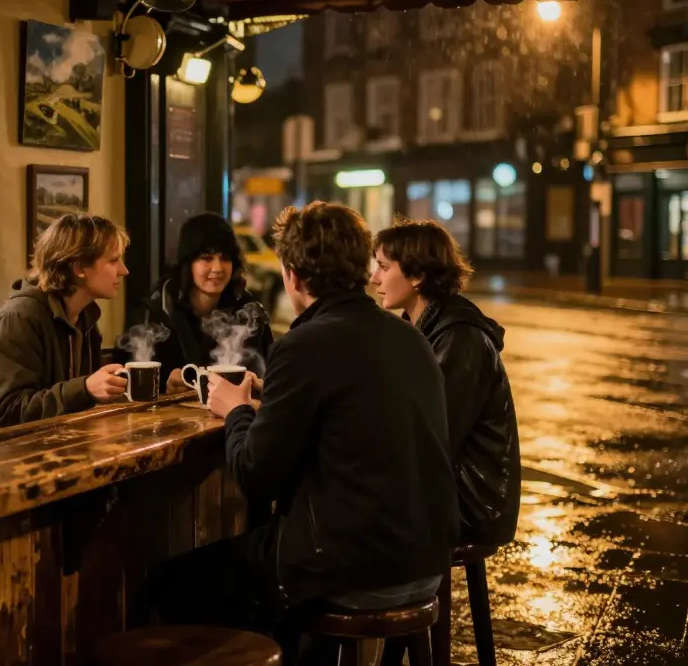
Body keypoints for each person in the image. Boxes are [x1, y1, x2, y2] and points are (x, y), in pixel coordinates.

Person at [148, 202, 458, 662]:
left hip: (350, 567)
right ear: (360, 267)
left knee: (169, 585)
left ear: (292, 275)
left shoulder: (306, 343)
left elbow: (256, 474)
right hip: (426, 560)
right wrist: (269, 401)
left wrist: (235, 411)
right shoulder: (409, 337)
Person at [370, 218, 520, 548]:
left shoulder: (459, 339)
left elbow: (433, 437)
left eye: (383, 266)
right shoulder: (422, 329)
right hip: (445, 488)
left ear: (418, 276)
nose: (374, 277)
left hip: (471, 504)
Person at [0, 213, 132, 436]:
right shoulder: (18, 319)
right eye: (113, 260)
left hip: (53, 444)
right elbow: (9, 412)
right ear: (79, 268)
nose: (124, 270)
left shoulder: (85, 317)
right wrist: (86, 388)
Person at [112, 212, 274, 392]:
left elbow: (271, 376)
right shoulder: (156, 312)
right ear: (188, 262)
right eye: (206, 258)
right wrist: (165, 380)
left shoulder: (248, 312)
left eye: (225, 258)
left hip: (235, 414)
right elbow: (124, 376)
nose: (217, 268)